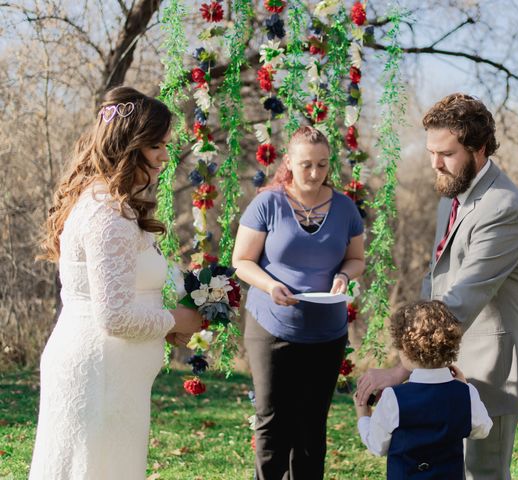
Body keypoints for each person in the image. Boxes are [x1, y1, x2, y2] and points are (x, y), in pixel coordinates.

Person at [357, 93, 518, 479]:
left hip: (491, 369)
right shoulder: (453, 193)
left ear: (480, 149)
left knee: (481, 474)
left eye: (447, 153)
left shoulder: (504, 209)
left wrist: (401, 370)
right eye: (430, 152)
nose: (435, 163)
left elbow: (459, 302)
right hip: (444, 368)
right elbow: (435, 280)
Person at [30, 86, 203, 479]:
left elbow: (125, 298)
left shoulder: (113, 204)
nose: (163, 156)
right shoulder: (106, 213)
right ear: (131, 143)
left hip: (114, 379)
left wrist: (163, 324)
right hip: (98, 376)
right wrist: (176, 320)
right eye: (156, 145)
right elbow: (114, 318)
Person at [232, 126, 365, 480]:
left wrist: (345, 276)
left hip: (327, 333)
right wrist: (270, 284)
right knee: (272, 420)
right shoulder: (268, 203)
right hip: (271, 327)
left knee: (311, 427)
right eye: (306, 164)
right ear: (289, 162)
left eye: (322, 165)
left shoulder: (345, 208)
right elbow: (242, 261)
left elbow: (356, 259)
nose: (315, 173)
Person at [354, 300, 492, 479]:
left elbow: (377, 446)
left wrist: (363, 415)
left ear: (404, 349)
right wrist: (463, 386)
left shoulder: (393, 398)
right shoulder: (466, 393)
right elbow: (483, 429)